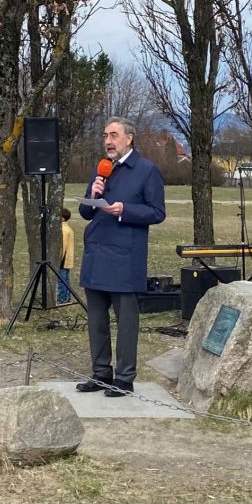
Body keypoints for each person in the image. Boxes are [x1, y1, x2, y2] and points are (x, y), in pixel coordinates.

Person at [76, 118, 166, 397]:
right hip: (97, 253)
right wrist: (93, 194)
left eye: (113, 135)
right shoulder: (102, 169)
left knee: (126, 322)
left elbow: (157, 212)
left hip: (125, 257)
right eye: (105, 135)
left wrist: (124, 210)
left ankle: (125, 378)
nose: (108, 141)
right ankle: (101, 374)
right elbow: (85, 212)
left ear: (129, 138)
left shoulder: (146, 170)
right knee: (96, 320)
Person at [57, 208, 74, 304]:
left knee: (61, 280)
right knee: (66, 279)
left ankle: (62, 298)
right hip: (67, 259)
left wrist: (59, 258)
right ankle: (67, 297)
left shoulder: (63, 230)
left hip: (63, 259)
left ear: (62, 218)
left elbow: (63, 245)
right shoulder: (69, 229)